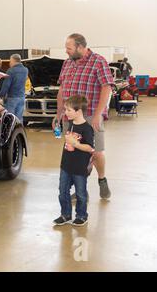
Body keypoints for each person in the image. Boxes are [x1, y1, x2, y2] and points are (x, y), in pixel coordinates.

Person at [54, 33, 113, 199]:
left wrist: (97, 114)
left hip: (90, 117)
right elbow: (62, 89)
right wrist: (59, 112)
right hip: (69, 117)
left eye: (69, 48)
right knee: (74, 153)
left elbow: (106, 88)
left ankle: (102, 180)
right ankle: (81, 189)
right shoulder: (67, 63)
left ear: (80, 47)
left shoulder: (98, 61)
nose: (66, 51)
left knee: (96, 152)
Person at [53, 95, 94, 227]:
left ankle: (82, 216)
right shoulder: (70, 124)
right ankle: (65, 214)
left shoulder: (87, 129)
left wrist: (75, 144)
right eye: (65, 110)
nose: (65, 113)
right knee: (63, 191)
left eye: (68, 110)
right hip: (66, 165)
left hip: (79, 167)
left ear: (79, 111)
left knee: (81, 194)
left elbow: (89, 148)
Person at [0, 54, 28, 123]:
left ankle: (10, 133)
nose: (9, 63)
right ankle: (18, 132)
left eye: (10, 61)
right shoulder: (25, 70)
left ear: (13, 61)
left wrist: (0, 96)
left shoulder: (11, 71)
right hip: (21, 97)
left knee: (10, 118)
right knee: (19, 118)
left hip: (12, 97)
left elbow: (6, 85)